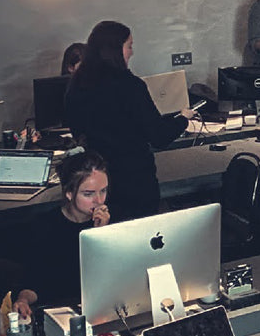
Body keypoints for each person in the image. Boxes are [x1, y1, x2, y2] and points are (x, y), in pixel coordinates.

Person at [64, 21, 194, 222]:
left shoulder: (76, 85)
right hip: (134, 181)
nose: (132, 52)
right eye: (129, 46)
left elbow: (77, 130)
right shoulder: (130, 86)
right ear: (115, 50)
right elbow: (159, 136)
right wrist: (183, 120)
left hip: (98, 179)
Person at [12, 152, 110, 317]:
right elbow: (33, 280)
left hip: (102, 307)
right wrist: (23, 299)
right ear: (69, 193)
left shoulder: (112, 222)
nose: (99, 200)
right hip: (57, 309)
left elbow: (110, 279)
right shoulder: (45, 226)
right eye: (88, 194)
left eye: (103, 191)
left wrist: (101, 234)